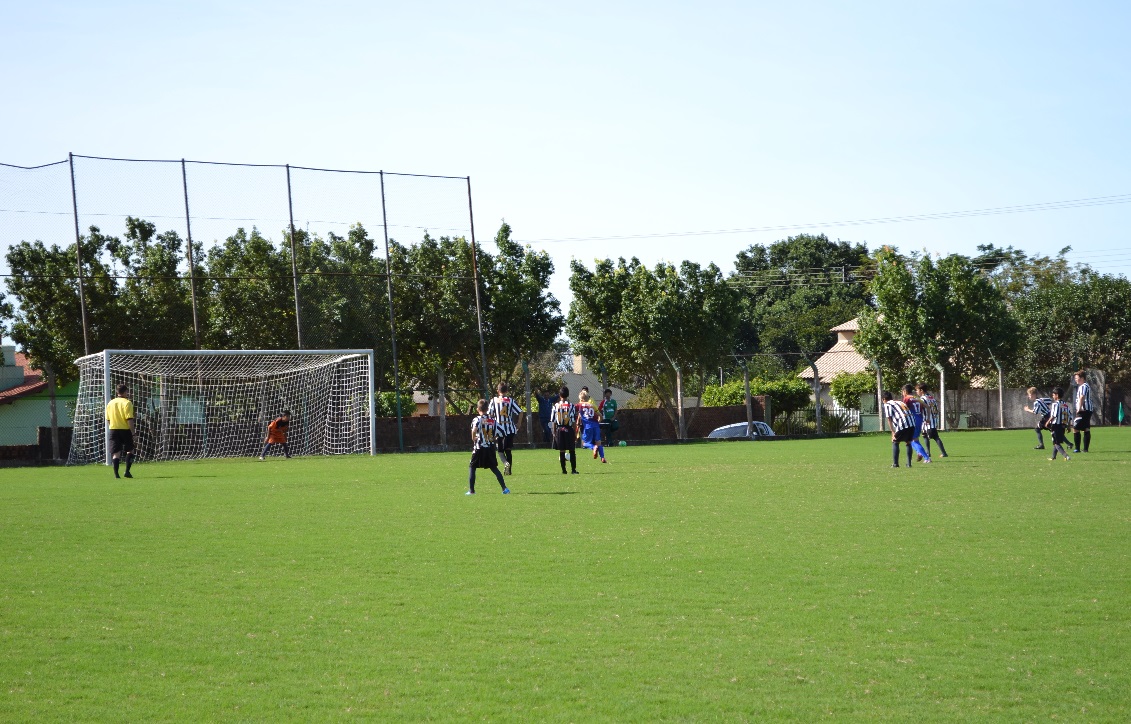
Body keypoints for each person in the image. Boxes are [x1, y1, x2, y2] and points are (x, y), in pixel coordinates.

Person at [468, 399, 509, 495]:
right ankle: (504, 488)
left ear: (478, 409)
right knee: (494, 468)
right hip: (490, 447)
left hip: (479, 448)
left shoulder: (477, 419)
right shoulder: (493, 421)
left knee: (472, 467)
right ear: (487, 409)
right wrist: (494, 437)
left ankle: (471, 490)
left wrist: (473, 437)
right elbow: (503, 432)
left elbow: (474, 429)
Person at [487, 381, 523, 475]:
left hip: (499, 429)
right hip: (510, 428)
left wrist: (491, 428)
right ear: (506, 391)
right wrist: (518, 423)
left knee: (500, 450)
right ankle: (509, 470)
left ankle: (505, 463)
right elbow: (520, 412)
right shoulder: (510, 400)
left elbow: (490, 415)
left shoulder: (494, 401)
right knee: (508, 450)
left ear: (498, 391)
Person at [105, 383, 136, 478]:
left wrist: (113, 426)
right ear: (125, 392)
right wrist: (133, 433)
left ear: (117, 392)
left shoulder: (110, 403)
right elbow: (129, 419)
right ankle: (127, 471)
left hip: (113, 429)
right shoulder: (127, 403)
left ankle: (116, 474)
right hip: (125, 430)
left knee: (116, 453)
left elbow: (108, 419)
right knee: (130, 450)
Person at [882, 390, 918, 468]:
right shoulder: (900, 402)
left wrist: (892, 432)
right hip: (912, 422)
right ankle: (908, 464)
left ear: (884, 399)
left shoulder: (887, 404)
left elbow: (889, 419)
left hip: (903, 423)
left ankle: (895, 464)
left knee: (895, 441)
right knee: (908, 442)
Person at [551, 386, 579, 474]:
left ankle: (564, 470)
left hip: (559, 429)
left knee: (562, 450)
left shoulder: (556, 406)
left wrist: (554, 432)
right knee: (572, 450)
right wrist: (575, 432)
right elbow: (573, 421)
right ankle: (573, 470)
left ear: (560, 395)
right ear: (568, 395)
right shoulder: (571, 406)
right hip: (568, 428)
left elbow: (554, 421)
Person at [915, 383, 948, 458]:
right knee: (927, 436)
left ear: (921, 390)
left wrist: (927, 418)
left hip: (927, 421)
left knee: (933, 437)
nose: (916, 392)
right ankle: (929, 452)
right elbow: (935, 408)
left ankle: (943, 453)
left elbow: (924, 409)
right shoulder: (931, 397)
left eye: (917, 390)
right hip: (933, 420)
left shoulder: (923, 399)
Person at [901, 384, 932, 463]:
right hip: (919, 420)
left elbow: (904, 410)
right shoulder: (916, 398)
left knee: (911, 440)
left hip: (912, 421)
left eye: (902, 392)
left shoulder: (906, 398)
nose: (902, 393)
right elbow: (928, 407)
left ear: (905, 391)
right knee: (914, 439)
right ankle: (919, 452)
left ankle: (926, 457)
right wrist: (928, 418)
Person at [576, 390, 607, 463]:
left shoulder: (579, 405)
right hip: (596, 426)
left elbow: (574, 410)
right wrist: (598, 422)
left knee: (584, 443)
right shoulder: (592, 405)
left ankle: (593, 447)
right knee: (598, 442)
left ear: (582, 399)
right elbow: (600, 416)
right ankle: (602, 458)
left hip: (588, 426)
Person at [1045, 387, 1073, 461]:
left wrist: (1047, 422)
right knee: (1056, 441)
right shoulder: (1065, 405)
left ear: (1057, 395)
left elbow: (1054, 415)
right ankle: (1053, 457)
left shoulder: (1055, 404)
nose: (1052, 396)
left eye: (1053, 395)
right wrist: (1069, 426)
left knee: (1056, 443)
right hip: (1063, 425)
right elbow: (1070, 416)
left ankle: (1066, 456)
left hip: (1056, 425)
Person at [1072, 370, 1093, 453]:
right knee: (1086, 428)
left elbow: (1082, 397)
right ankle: (1085, 449)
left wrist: (1079, 408)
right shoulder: (1085, 386)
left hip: (1083, 410)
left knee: (1075, 428)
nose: (1076, 380)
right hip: (1087, 410)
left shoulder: (1084, 386)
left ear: (1082, 378)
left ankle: (1077, 448)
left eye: (1077, 378)